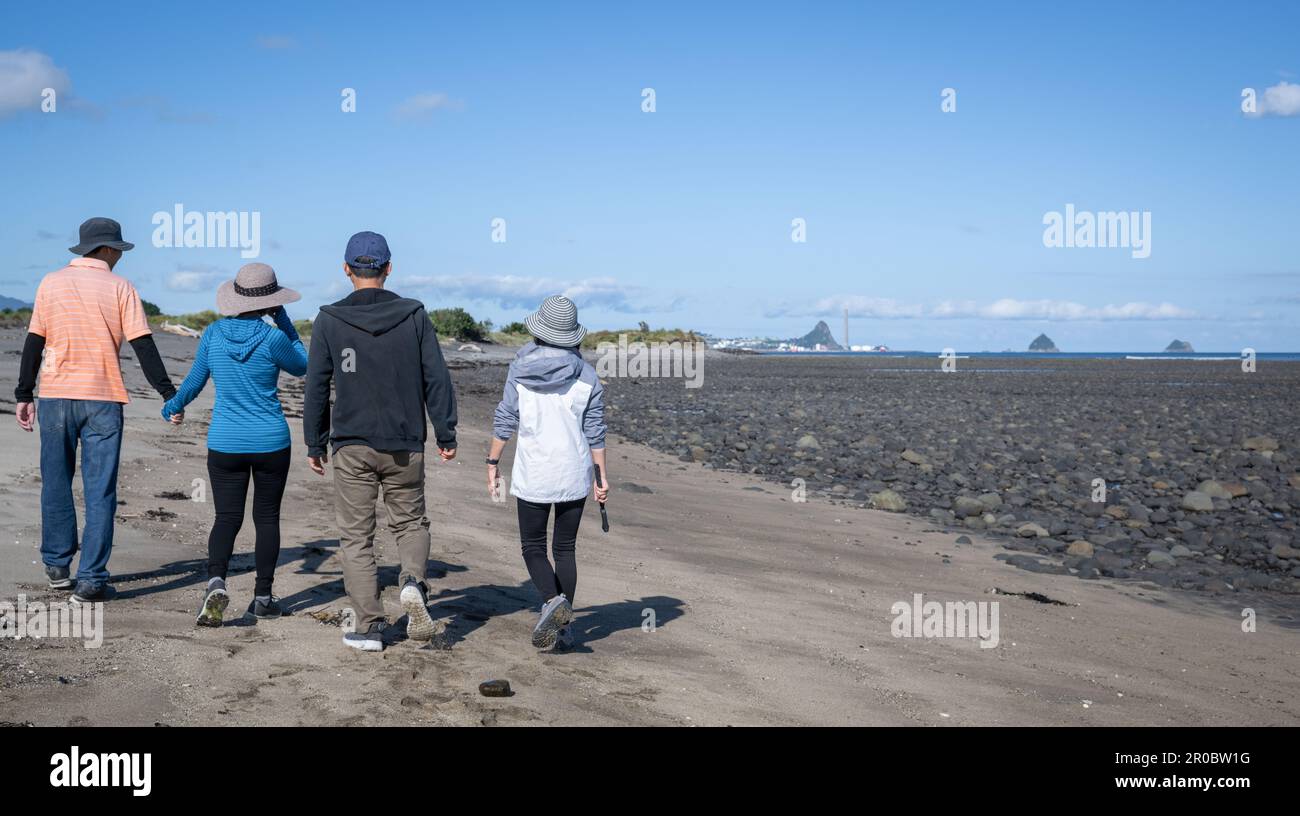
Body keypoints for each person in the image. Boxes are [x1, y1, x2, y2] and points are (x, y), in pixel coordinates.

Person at [303, 231, 458, 652]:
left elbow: (317, 385)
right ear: (389, 268)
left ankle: (370, 627)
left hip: (352, 443)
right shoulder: (413, 316)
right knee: (410, 522)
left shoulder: (330, 320)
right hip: (405, 441)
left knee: (356, 537)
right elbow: (436, 378)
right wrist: (447, 431)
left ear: (346, 269)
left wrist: (314, 443)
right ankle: (411, 581)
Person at [14, 217, 178, 603]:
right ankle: (90, 580)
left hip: (55, 397)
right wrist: (168, 393)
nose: (119, 257)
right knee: (100, 489)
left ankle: (57, 566)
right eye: (118, 251)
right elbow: (143, 346)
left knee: (55, 481)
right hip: (103, 399)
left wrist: (24, 393)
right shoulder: (121, 287)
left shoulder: (50, 283)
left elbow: (34, 341)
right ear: (107, 250)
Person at [161, 263, 307, 626]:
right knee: (266, 517)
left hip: (225, 442)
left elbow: (195, 381)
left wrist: (173, 407)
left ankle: (215, 582)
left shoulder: (212, 334)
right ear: (270, 301)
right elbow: (303, 365)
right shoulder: (273, 338)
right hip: (270, 441)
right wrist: (284, 320)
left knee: (226, 517)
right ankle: (263, 597)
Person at [488, 295, 609, 651]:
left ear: (539, 332)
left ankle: (553, 603)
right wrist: (602, 477)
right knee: (565, 548)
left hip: (534, 474)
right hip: (574, 473)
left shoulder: (520, 369)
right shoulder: (587, 376)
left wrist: (492, 463)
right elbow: (595, 431)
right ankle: (563, 625)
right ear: (572, 336)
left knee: (533, 547)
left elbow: (506, 417)